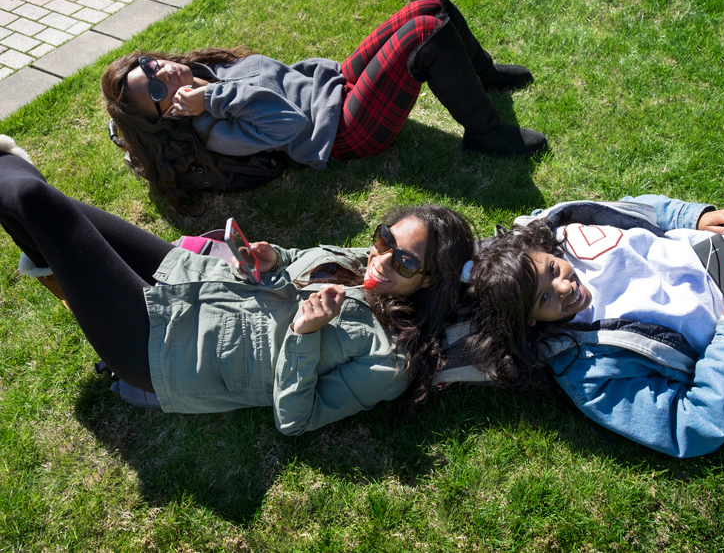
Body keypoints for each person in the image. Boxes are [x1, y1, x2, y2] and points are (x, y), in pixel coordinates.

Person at [464, 113, 724, 458]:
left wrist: (692, 217)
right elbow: (691, 426)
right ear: (532, 321)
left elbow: (634, 209)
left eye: (553, 270)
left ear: (544, 250)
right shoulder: (586, 372)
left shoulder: (561, 229)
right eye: (545, 299)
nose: (564, 287)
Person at [1, 141, 475, 434]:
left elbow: (297, 419)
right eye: (384, 239)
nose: (382, 257)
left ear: (429, 280)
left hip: (166, 350)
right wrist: (275, 259)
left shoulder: (388, 361)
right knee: (58, 211)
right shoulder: (356, 261)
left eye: (405, 260)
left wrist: (305, 335)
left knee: (35, 201)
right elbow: (294, 267)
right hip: (190, 277)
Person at [101, 0, 547, 210]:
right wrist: (213, 100)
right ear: (164, 116)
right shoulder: (210, 130)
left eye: (150, 65)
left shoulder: (200, 72)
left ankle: (480, 75)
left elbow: (276, 77)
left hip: (334, 85)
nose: (162, 73)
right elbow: (290, 126)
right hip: (342, 132)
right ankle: (484, 133)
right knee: (424, 36)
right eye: (155, 91)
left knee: (427, 4)